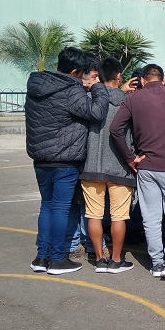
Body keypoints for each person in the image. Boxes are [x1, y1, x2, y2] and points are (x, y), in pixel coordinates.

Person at [26, 47, 108, 275]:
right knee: (61, 208)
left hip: (41, 159)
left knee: (47, 206)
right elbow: (96, 112)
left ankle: (41, 257)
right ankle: (58, 259)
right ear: (74, 71)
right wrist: (99, 87)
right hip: (65, 159)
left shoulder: (36, 86)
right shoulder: (71, 90)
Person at [110, 64, 165, 279]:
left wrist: (130, 158)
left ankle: (156, 263)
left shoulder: (134, 99)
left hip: (146, 166)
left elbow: (115, 129)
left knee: (151, 217)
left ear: (142, 80)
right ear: (162, 79)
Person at [80, 57, 137, 273]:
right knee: (119, 216)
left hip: (91, 165)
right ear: (119, 75)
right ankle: (116, 260)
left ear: (99, 76)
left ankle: (100, 259)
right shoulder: (128, 101)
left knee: (93, 214)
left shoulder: (88, 99)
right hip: (120, 167)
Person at [65, 53, 107, 261]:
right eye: (94, 76)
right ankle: (90, 244)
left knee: (80, 204)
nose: (97, 81)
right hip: (80, 158)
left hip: (74, 157)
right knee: (85, 206)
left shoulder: (68, 94)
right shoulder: (83, 97)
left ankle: (77, 243)